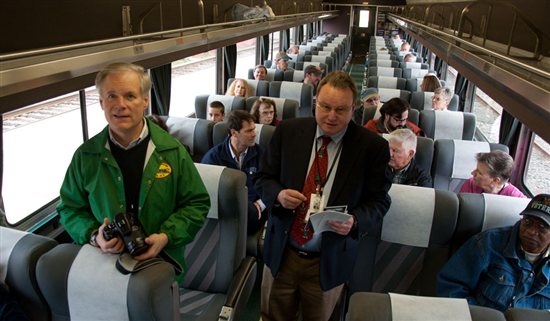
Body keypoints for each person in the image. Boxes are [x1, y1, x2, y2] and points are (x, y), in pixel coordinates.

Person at [255, 71, 392, 321]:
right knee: (272, 316)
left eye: (340, 110)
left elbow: (380, 201)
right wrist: (278, 195)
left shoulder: (373, 148)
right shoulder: (288, 131)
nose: (331, 116)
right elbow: (262, 177)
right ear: (315, 100)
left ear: (354, 109)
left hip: (328, 259)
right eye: (325, 106)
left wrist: (355, 221)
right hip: (282, 251)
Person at [57, 63, 210, 283]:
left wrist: (166, 236)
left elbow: (197, 204)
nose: (120, 105)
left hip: (161, 263)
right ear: (101, 102)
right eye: (111, 96)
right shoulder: (85, 157)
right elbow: (69, 207)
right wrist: (94, 236)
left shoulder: (173, 152)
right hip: (105, 267)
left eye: (130, 96)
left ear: (145, 100)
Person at [437, 193, 550, 311]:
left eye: (542, 227)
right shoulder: (487, 243)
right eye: (527, 222)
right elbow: (452, 287)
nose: (531, 231)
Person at [201, 110, 267, 234]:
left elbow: (270, 183)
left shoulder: (261, 154)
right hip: (225, 214)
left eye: (254, 129)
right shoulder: (213, 158)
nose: (254, 134)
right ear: (234, 133)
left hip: (254, 214)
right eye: (249, 131)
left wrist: (260, 204)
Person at [460, 150, 527, 198]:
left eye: (480, 173)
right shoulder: (470, 185)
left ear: (495, 180)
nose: (472, 173)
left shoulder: (516, 198)